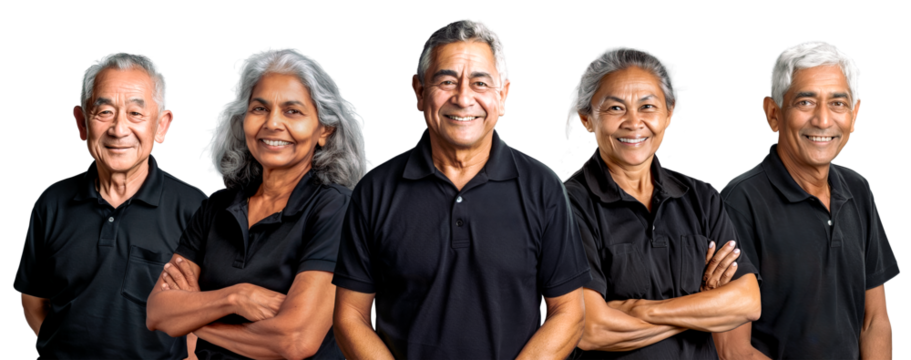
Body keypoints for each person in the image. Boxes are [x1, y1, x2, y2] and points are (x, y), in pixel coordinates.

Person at [332, 17, 591, 359]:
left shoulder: (543, 188)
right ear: (419, 91)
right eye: (447, 81)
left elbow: (569, 312)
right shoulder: (374, 191)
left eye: (480, 83)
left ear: (503, 95)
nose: (463, 98)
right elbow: (350, 316)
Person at [145, 47, 370, 360]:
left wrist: (194, 319)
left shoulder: (336, 210)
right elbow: (157, 311)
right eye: (260, 108)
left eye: (293, 111)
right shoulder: (216, 206)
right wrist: (236, 297)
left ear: (324, 130)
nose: (272, 123)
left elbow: (295, 340)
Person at [562, 45, 762, 359]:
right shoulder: (567, 205)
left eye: (647, 106)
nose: (634, 122)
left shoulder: (702, 197)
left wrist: (640, 310)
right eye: (615, 108)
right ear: (587, 119)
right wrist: (702, 308)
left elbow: (748, 302)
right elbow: (590, 328)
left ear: (669, 113)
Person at [12, 49, 205, 359]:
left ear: (162, 126)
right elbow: (33, 299)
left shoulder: (195, 209)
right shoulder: (52, 203)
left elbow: (206, 312)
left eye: (135, 113)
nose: (118, 129)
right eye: (104, 112)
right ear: (81, 123)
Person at [714, 40, 899, 360]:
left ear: (854, 115)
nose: (823, 120)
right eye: (805, 102)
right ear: (773, 114)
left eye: (838, 103)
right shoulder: (738, 203)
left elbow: (874, 320)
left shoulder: (858, 189)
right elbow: (732, 349)